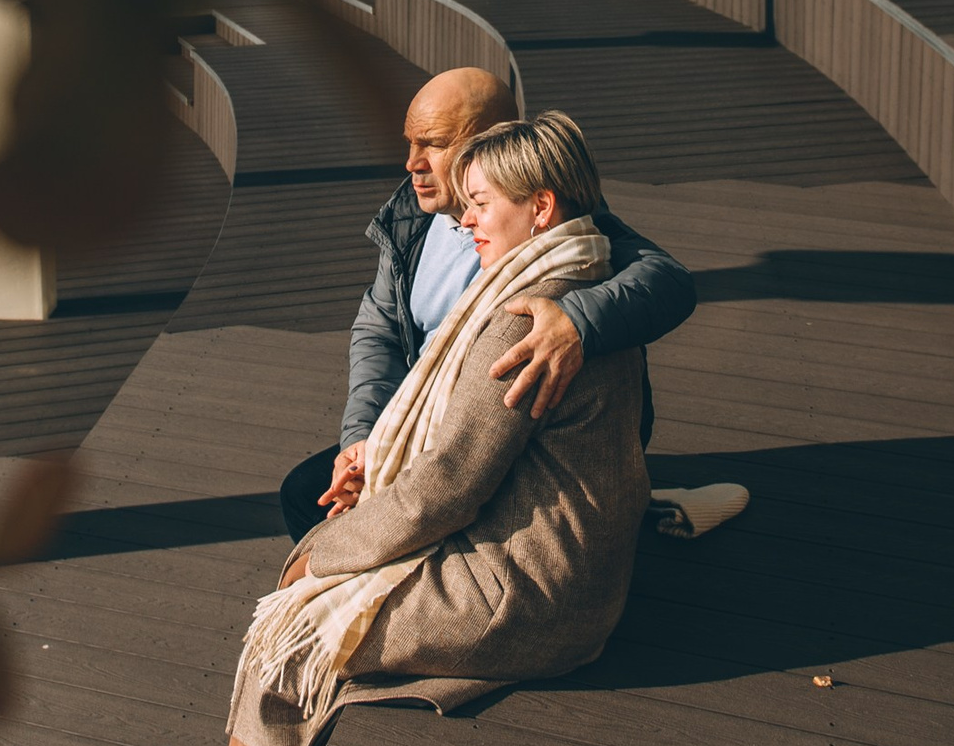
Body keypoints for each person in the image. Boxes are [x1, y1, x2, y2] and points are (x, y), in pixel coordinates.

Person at [199, 114, 652, 746]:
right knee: (324, 572)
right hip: (569, 561)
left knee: (293, 632)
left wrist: (323, 557)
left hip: (532, 591)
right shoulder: (583, 275)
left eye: (481, 204)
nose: (465, 220)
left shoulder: (521, 319)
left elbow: (448, 487)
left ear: (539, 208)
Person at [276, 66, 692, 543]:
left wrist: (576, 321)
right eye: (410, 142)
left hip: (513, 435)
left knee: (410, 523)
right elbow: (380, 330)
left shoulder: (554, 215)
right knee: (310, 497)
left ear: (489, 141)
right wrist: (361, 438)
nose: (412, 163)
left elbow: (669, 282)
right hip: (430, 419)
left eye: (433, 143)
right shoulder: (412, 216)